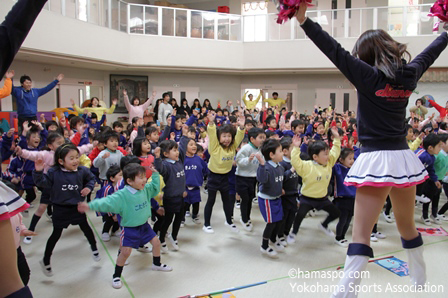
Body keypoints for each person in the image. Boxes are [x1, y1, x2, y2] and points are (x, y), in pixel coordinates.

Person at [294, 2, 448, 295]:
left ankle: (346, 291)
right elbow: (430, 54)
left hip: (376, 160)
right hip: (403, 159)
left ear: (365, 56)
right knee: (407, 226)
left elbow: (334, 50)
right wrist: (446, 33)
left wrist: (304, 21)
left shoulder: (367, 77)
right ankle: (419, 281)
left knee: (361, 232)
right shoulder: (410, 74)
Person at [78, 163, 172, 289]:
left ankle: (156, 264)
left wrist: (155, 175)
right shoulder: (122, 195)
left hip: (144, 226)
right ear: (129, 181)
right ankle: (116, 275)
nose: (144, 179)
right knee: (125, 252)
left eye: (144, 176)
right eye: (140, 177)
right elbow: (107, 202)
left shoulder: (144, 189)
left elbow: (155, 188)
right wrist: (90, 205)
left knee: (156, 242)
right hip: (129, 228)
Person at [33, 144, 99, 277]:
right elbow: (42, 184)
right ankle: (46, 260)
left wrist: (88, 188)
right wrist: (38, 172)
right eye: (71, 158)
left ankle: (94, 248)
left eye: (77, 157)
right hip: (60, 209)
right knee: (56, 234)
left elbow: (91, 179)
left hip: (77, 207)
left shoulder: (82, 171)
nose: (75, 161)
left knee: (86, 228)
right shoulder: (54, 173)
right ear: (61, 161)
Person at [202, 111, 246, 234]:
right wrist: (211, 122)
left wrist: (241, 127)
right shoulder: (214, 147)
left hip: (225, 177)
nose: (227, 139)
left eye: (229, 136)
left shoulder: (232, 147)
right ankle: (206, 224)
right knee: (211, 200)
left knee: (227, 200)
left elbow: (239, 137)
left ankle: (229, 221)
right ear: (219, 137)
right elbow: (211, 133)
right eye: (224, 136)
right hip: (213, 177)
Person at [256, 139, 285, 258]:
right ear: (272, 155)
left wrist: (280, 189)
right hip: (267, 199)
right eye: (280, 151)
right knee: (271, 222)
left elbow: (277, 180)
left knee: (278, 220)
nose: (283, 153)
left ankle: (273, 239)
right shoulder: (266, 167)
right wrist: (262, 165)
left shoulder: (279, 166)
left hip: (276, 197)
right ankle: (264, 245)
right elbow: (262, 179)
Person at [235, 128, 266, 231]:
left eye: (264, 137)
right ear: (252, 139)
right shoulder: (246, 148)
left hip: (253, 178)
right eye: (260, 137)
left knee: (250, 199)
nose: (262, 140)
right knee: (245, 199)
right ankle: (244, 219)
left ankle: (247, 217)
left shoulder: (259, 149)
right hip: (242, 177)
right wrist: (248, 160)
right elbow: (238, 160)